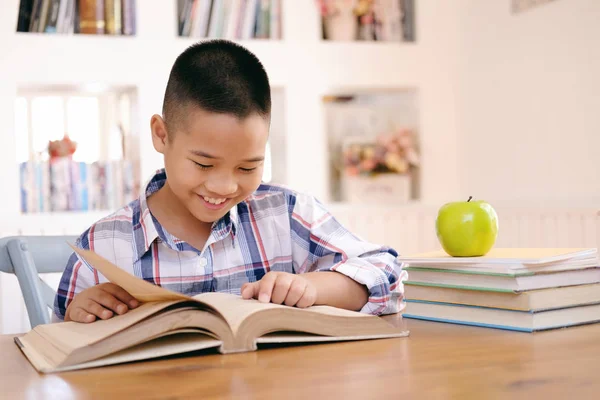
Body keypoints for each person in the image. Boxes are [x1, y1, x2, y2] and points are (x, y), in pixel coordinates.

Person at [53, 40, 407, 323]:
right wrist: (79, 314)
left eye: (247, 168)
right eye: (204, 164)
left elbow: (387, 273)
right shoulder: (102, 247)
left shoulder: (287, 214)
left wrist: (311, 287)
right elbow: (56, 353)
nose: (224, 187)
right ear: (162, 135)